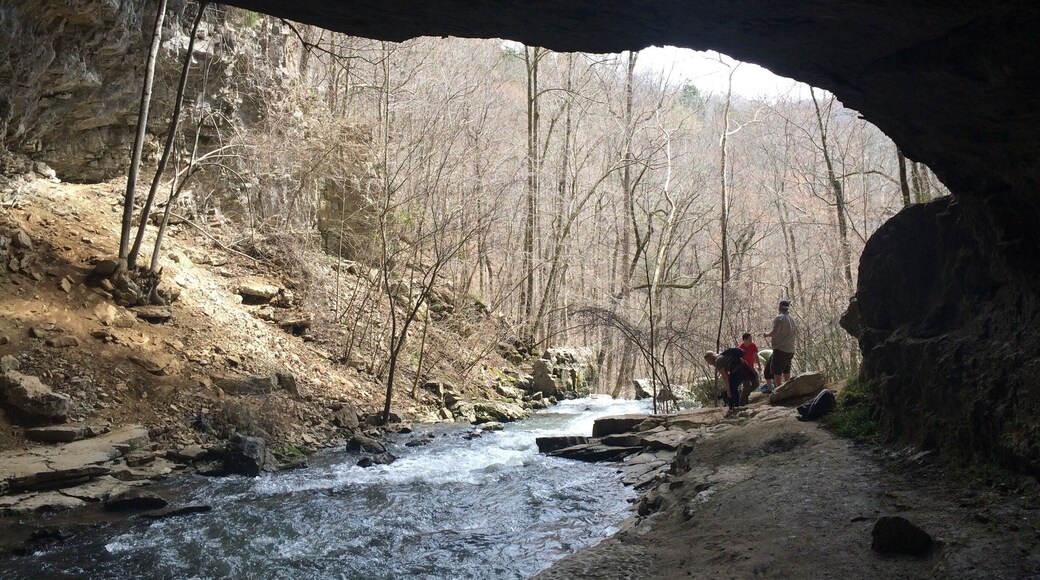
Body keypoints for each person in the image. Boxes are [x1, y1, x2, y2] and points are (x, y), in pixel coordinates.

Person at [763, 299, 797, 391]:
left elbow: (775, 332)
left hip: (781, 349)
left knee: (777, 371)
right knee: (786, 370)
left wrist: (766, 334)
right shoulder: (792, 318)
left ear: (780, 307)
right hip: (790, 349)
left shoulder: (779, 318)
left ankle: (779, 391)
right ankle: (788, 390)